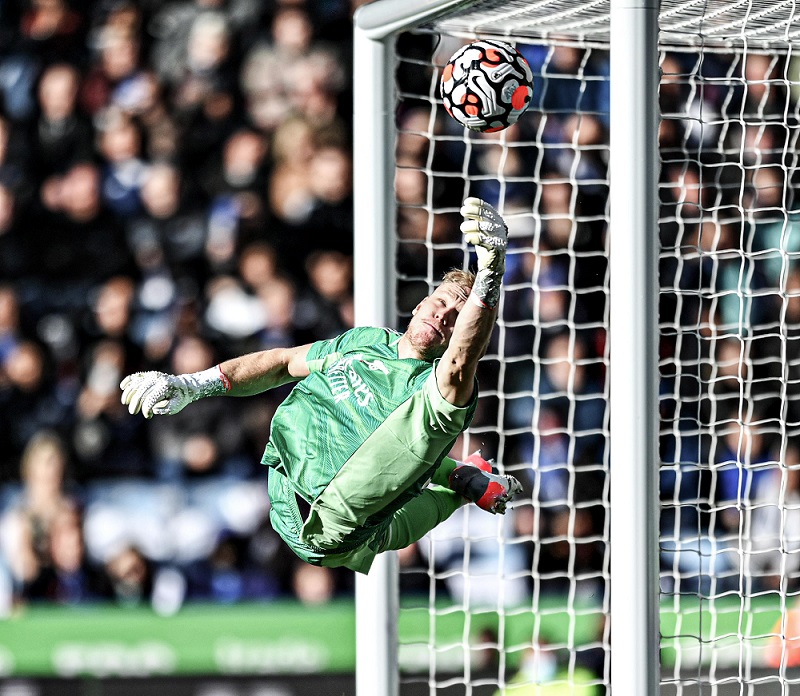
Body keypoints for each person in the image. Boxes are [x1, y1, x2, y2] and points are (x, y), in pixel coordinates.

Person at [119, 197, 522, 574]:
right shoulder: (365, 341)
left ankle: (462, 482)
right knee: (413, 473)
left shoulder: (444, 389)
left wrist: (491, 273)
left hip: (331, 530)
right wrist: (191, 384)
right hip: (278, 483)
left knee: (408, 509)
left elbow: (460, 359)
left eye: (458, 314)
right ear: (419, 304)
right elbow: (282, 361)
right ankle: (461, 475)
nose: (444, 315)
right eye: (441, 301)